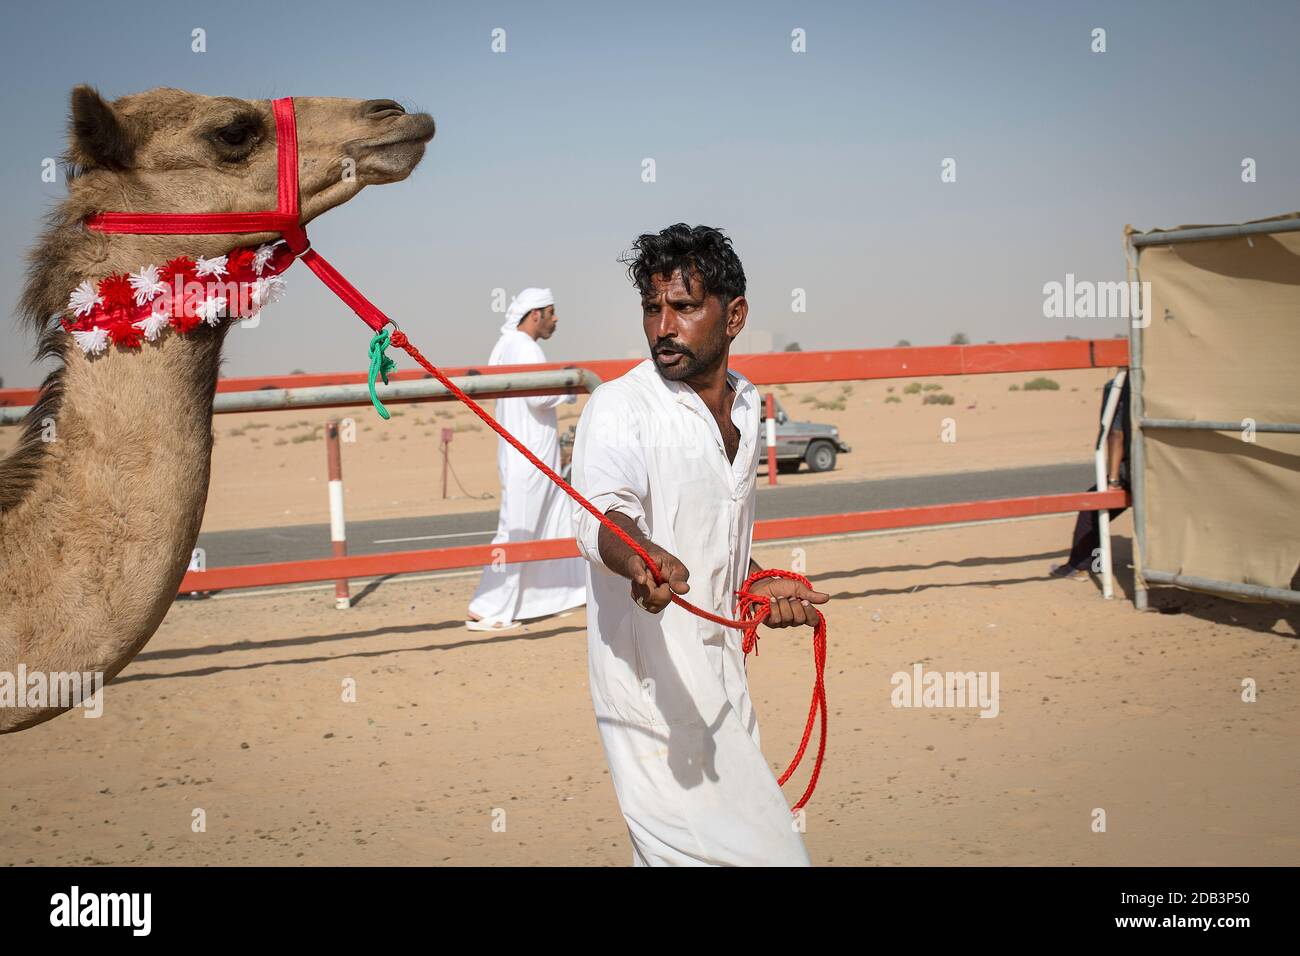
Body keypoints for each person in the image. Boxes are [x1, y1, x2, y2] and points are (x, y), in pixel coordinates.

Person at [571, 224, 829, 866]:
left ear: (734, 315)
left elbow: (720, 534)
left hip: (725, 685)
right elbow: (603, 515)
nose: (663, 326)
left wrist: (758, 577)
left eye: (683, 307)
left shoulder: (748, 403)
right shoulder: (619, 407)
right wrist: (640, 558)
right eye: (651, 309)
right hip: (653, 703)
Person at [466, 288, 586, 631]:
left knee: (552, 522)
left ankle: (552, 596)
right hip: (527, 455)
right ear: (536, 314)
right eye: (552, 311)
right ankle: (487, 607)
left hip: (528, 453)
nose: (556, 318)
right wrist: (569, 384)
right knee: (517, 530)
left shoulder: (508, 346)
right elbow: (540, 396)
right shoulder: (523, 347)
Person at [1051, 372, 1131, 580]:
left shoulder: (1120, 385)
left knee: (1093, 510)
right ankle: (1096, 563)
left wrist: (1113, 479)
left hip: (1134, 472)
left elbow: (1115, 432)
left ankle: (1080, 566)